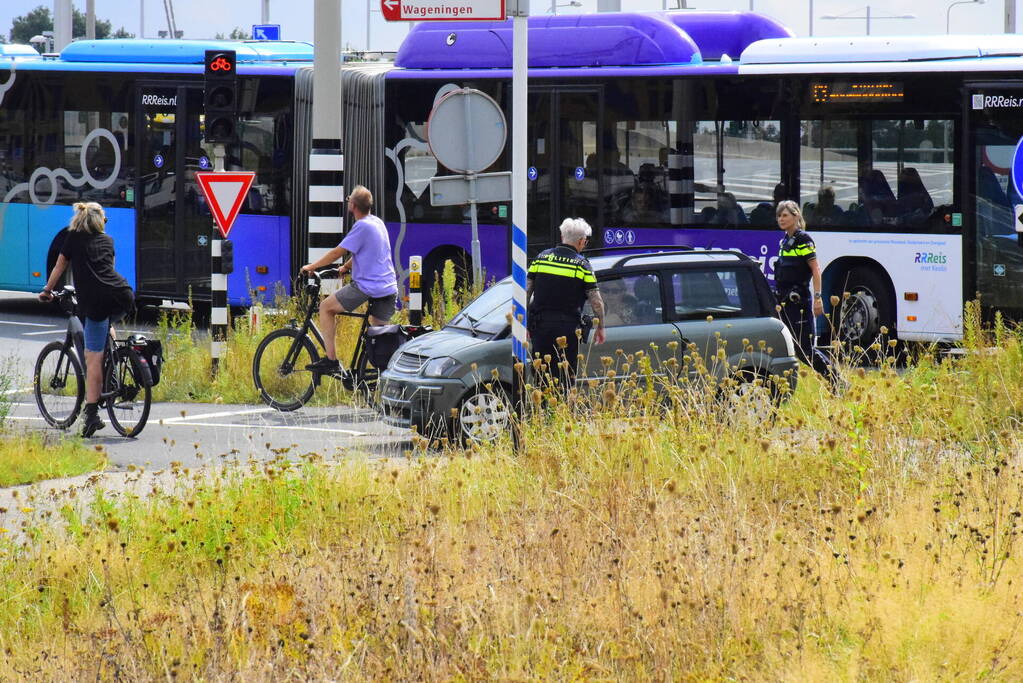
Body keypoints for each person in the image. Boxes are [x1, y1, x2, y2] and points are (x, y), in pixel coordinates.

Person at [39, 202, 135, 437]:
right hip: (123, 294)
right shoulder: (108, 241)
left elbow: (60, 266)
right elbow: (107, 270)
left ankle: (91, 415)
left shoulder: (72, 239)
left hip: (95, 301)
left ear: (79, 221)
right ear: (100, 223)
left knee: (92, 359)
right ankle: (114, 369)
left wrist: (48, 290)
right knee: (106, 325)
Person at [301, 185, 398, 375]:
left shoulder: (361, 226)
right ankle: (376, 375)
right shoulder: (377, 222)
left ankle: (331, 361)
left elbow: (339, 251)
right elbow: (365, 251)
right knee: (380, 337)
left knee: (326, 308)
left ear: (352, 205)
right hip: (388, 288)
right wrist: (345, 268)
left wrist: (311, 267)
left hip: (369, 287)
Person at [526, 218, 606, 393]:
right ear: (581, 241)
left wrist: (523, 323)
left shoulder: (541, 258)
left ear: (562, 236)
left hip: (540, 327)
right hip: (568, 329)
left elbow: (526, 291)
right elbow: (596, 301)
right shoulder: (582, 265)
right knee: (565, 377)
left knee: (541, 375)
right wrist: (601, 326)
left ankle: (542, 413)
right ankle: (561, 412)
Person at [773, 200, 840, 390]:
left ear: (796, 216)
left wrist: (818, 298)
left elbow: (815, 270)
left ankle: (837, 382)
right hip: (784, 301)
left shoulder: (804, 240)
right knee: (786, 345)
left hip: (799, 300)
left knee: (805, 349)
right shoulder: (784, 241)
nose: (781, 219)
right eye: (779, 216)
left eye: (785, 215)